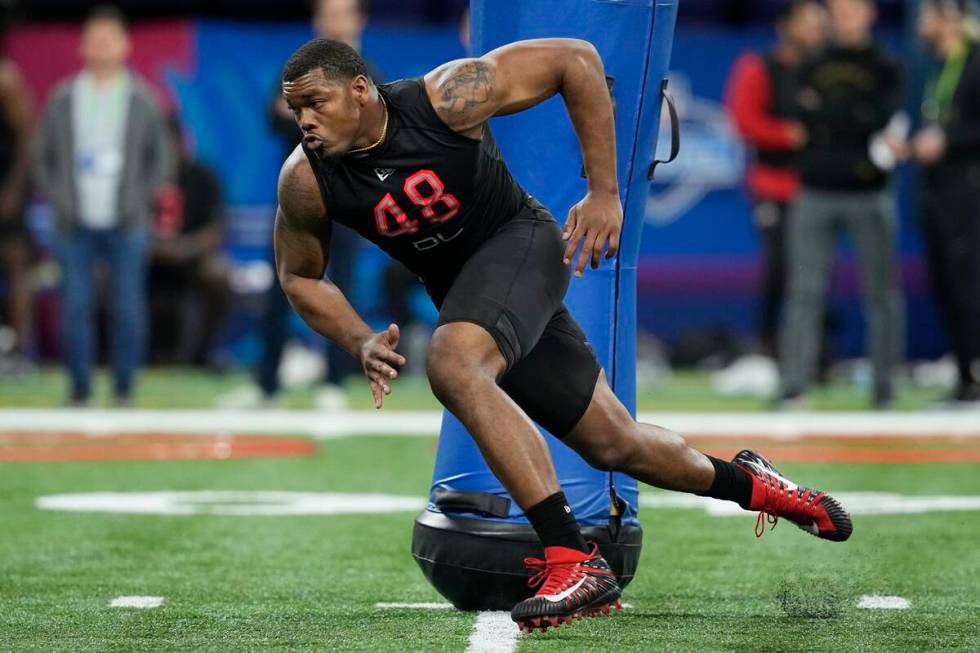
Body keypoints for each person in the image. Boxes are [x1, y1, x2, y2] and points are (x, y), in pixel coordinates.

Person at [274, 37, 853, 631]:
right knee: (614, 444)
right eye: (297, 110)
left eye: (316, 102)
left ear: (360, 89)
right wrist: (358, 340)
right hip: (475, 297)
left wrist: (604, 190)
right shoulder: (306, 179)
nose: (306, 121)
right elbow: (299, 276)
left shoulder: (443, 98)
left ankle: (572, 558)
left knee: (452, 362)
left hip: (520, 247)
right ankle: (757, 486)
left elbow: (575, 59)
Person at [226, 0, 377, 410]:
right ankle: (266, 384)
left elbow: (371, 130)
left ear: (357, 20)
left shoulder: (368, 76)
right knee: (283, 286)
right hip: (297, 198)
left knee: (342, 287)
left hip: (346, 199)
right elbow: (273, 118)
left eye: (343, 12)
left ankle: (334, 383)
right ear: (317, 19)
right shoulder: (297, 70)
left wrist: (308, 114)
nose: (334, 20)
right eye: (328, 12)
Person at [31, 5, 173, 405]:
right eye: (94, 39)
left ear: (125, 45)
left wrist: (139, 197)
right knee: (75, 305)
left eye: (109, 39)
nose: (102, 47)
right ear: (82, 46)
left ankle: (124, 389)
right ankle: (79, 388)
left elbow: (161, 158)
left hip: (127, 219)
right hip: (73, 218)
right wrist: (58, 196)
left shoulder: (142, 98)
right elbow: (42, 157)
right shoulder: (64, 97)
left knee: (127, 306)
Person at [779, 0, 904, 409]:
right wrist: (854, 114)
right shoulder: (812, 62)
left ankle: (885, 389)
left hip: (870, 192)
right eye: (838, 11)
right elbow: (795, 111)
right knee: (804, 291)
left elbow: (883, 117)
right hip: (815, 188)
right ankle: (794, 387)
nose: (844, 18)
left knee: (882, 294)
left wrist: (830, 114)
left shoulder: (886, 64)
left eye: (852, 10)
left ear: (869, 14)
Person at [724, 0, 826, 360]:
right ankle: (769, 346)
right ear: (786, 26)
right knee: (780, 267)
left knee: (815, 270)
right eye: (809, 22)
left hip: (816, 188)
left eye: (820, 23)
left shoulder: (825, 70)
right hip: (773, 185)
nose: (816, 30)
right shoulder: (758, 67)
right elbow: (742, 120)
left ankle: (815, 352)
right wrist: (787, 135)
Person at [913, 0, 980, 404]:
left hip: (969, 191)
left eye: (927, 16)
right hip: (939, 191)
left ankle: (974, 370)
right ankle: (964, 375)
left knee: (968, 283)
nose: (922, 24)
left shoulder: (975, 63)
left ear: (949, 17)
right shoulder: (939, 63)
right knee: (946, 284)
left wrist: (947, 142)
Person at [148, 117, 230, 366]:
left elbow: (217, 228)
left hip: (190, 258)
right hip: (145, 259)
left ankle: (202, 354)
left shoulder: (202, 176)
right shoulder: (140, 178)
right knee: (106, 274)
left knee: (219, 275)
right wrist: (152, 246)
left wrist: (185, 248)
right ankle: (118, 354)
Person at [0, 45, 33, 372]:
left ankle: (22, 353)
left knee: (15, 267)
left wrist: (13, 190)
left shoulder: (5, 78)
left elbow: (25, 139)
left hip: (5, 192)